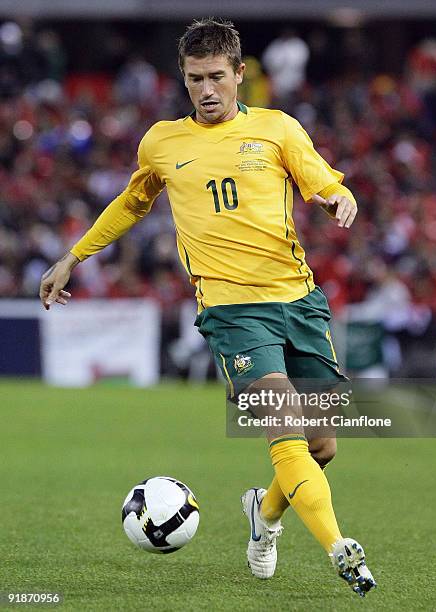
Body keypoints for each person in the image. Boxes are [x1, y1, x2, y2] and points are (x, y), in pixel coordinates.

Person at [39, 18, 376, 597]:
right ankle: (340, 548)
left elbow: (322, 181)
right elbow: (133, 201)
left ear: (241, 74)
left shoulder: (277, 130)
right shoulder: (162, 142)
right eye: (195, 79)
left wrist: (338, 198)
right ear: (184, 78)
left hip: (297, 301)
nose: (207, 90)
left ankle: (263, 516)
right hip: (231, 312)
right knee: (285, 425)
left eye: (218, 76)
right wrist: (74, 255)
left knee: (322, 444)